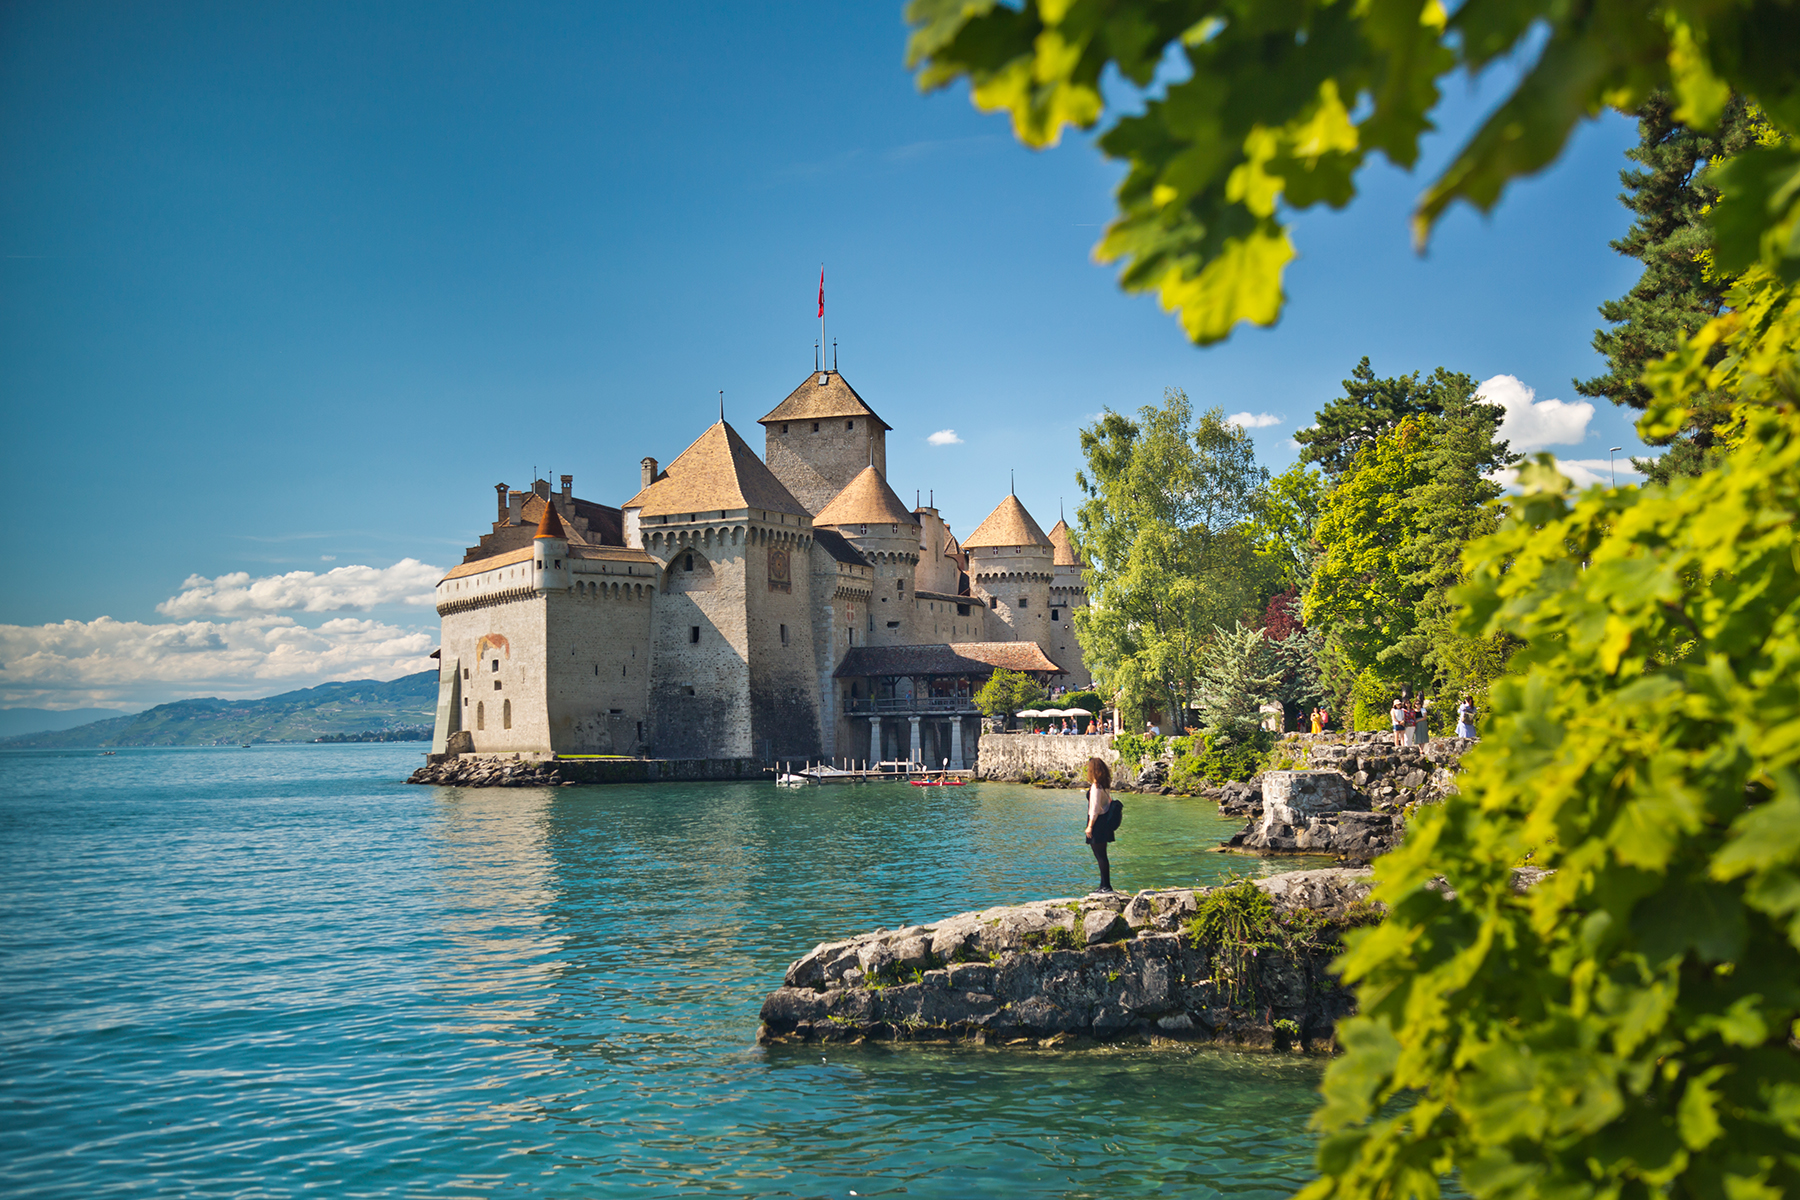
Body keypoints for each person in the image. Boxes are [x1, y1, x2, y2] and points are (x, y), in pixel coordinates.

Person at [1084, 757, 1124, 894]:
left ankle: (1106, 886)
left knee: (1100, 856)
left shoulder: (1096, 787)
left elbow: (1094, 809)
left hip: (1097, 823)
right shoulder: (1104, 785)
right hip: (1105, 821)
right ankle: (1104, 885)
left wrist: (1089, 826)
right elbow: (1107, 803)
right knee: (1103, 855)